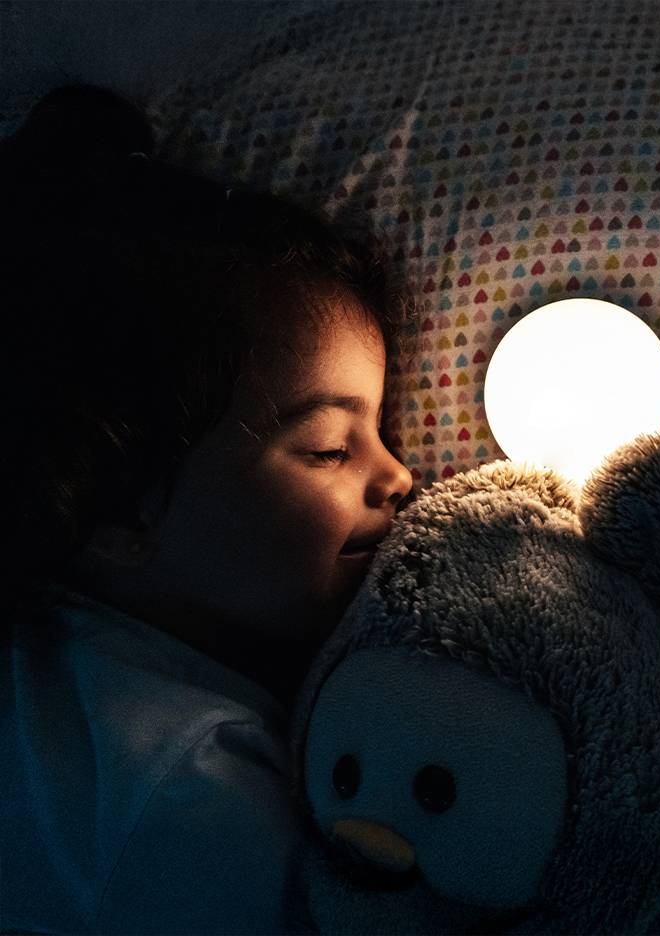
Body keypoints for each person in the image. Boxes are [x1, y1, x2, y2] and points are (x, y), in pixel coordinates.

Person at [0, 85, 413, 934]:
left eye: (383, 428)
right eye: (330, 448)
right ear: (121, 506)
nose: (400, 475)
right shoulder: (198, 784)